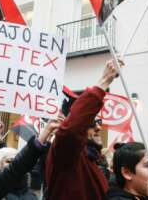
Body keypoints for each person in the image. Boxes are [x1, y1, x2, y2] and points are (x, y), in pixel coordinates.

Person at [45, 60, 120, 200]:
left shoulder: (90, 158)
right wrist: (104, 81)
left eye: (97, 122)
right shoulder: (66, 154)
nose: (98, 127)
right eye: (90, 123)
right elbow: (70, 131)